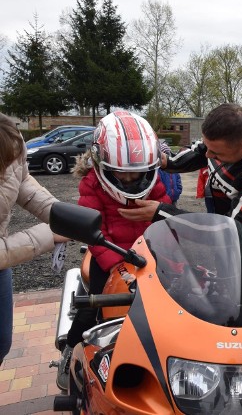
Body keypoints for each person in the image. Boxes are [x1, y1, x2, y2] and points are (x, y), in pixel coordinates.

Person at [119, 103, 242, 296]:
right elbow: (200, 152)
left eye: (216, 154)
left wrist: (162, 213)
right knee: (227, 297)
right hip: (231, 239)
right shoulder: (233, 130)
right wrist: (169, 161)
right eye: (208, 147)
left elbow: (233, 229)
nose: (208, 156)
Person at [57, 111, 171, 390]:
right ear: (100, 161)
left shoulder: (152, 181)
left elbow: (164, 213)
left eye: (138, 171)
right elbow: (93, 233)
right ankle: (70, 349)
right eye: (123, 171)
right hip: (109, 255)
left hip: (149, 255)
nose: (131, 178)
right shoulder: (92, 184)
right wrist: (115, 265)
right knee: (92, 308)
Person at [0, 113, 67, 367]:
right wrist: (47, 235)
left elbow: (22, 181)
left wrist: (63, 215)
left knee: (1, 341)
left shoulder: (9, 138)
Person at [158, 141, 183, 205]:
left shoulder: (173, 167)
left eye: (168, 154)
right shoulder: (158, 170)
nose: (167, 156)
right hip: (163, 199)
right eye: (164, 154)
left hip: (174, 198)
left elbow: (178, 179)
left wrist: (178, 191)